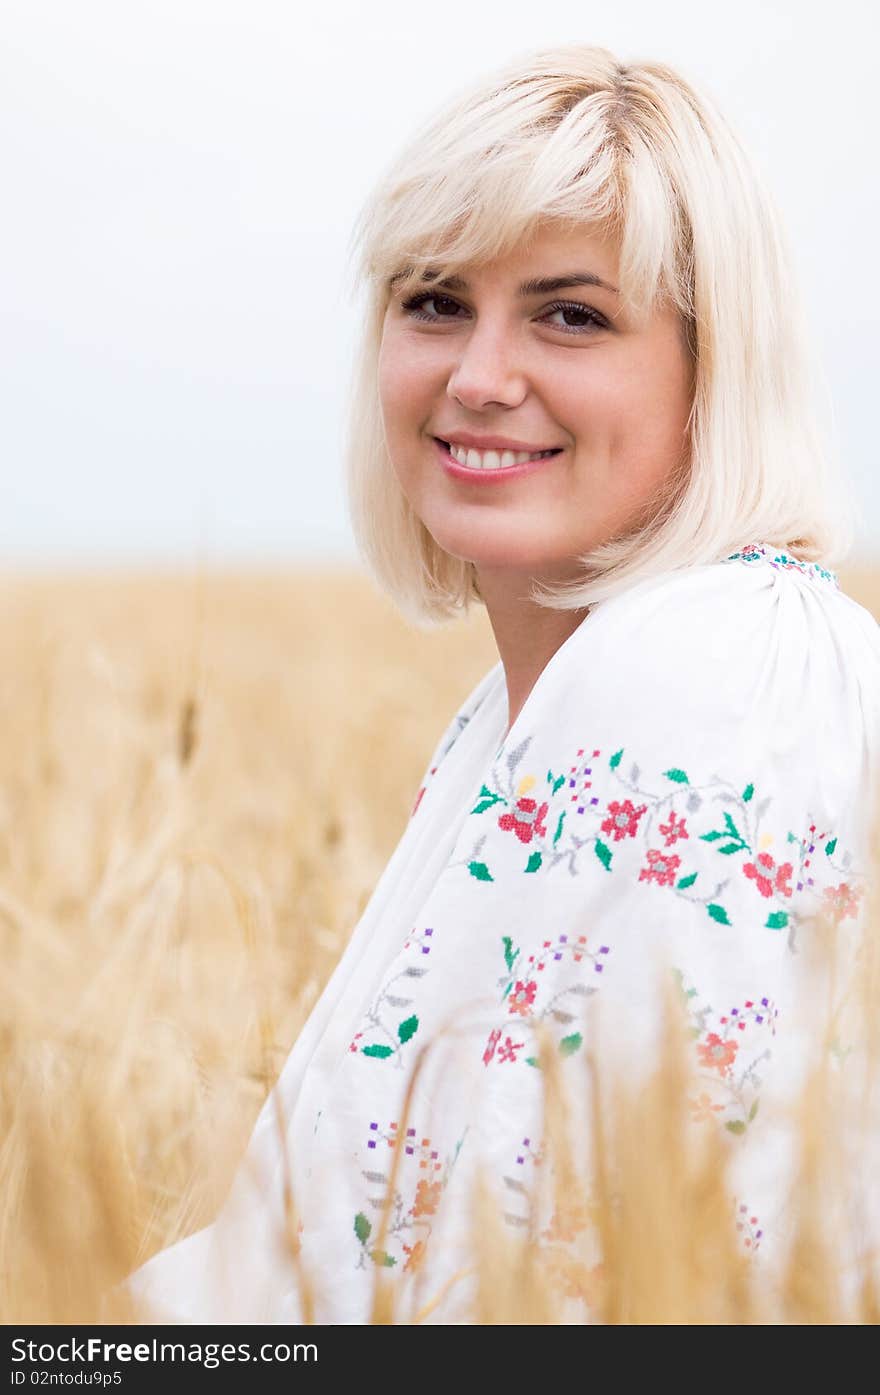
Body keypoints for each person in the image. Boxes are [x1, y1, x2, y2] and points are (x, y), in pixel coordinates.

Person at [125, 42, 880, 1324]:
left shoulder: (706, 670)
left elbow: (636, 1275)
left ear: (714, 366)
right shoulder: (549, 691)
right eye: (432, 301)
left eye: (571, 313)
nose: (477, 376)